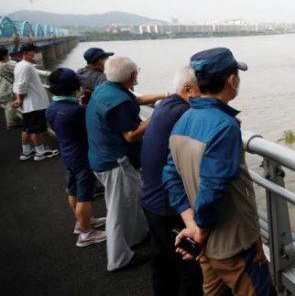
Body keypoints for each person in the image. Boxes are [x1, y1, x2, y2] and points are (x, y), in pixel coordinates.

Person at [163, 47, 274, 296]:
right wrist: (199, 230)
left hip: (205, 246)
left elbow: (170, 176)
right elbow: (213, 187)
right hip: (234, 246)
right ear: (231, 80)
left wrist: (192, 226)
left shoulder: (183, 120)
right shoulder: (225, 127)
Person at [86, 55, 164, 271]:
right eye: (137, 70)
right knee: (118, 211)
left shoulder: (107, 89)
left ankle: (138, 237)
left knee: (131, 201)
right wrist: (157, 117)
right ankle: (118, 259)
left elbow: (136, 100)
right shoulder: (119, 102)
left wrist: (167, 96)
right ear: (132, 75)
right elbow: (131, 135)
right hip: (115, 163)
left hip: (100, 157)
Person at [140, 66, 203, 296]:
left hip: (151, 198)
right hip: (169, 206)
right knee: (189, 268)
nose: (205, 98)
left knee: (162, 262)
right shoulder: (183, 114)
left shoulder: (164, 106)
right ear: (187, 90)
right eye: (202, 91)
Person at [46, 68, 107, 247]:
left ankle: (82, 222)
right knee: (84, 196)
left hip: (67, 154)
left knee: (72, 190)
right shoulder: (75, 111)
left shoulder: (52, 108)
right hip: (81, 156)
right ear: (73, 86)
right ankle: (86, 233)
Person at [12, 43, 58, 161]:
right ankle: (40, 152)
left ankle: (26, 152)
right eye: (32, 51)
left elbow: (17, 84)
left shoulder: (20, 65)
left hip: (29, 104)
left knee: (27, 128)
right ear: (24, 53)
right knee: (35, 130)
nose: (34, 54)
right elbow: (21, 86)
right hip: (34, 104)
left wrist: (19, 100)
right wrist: (19, 100)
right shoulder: (26, 67)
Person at [0, 46, 22, 129]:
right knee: (10, 106)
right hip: (9, 89)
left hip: (3, 88)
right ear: (4, 55)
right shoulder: (9, 64)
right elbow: (18, 68)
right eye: (7, 53)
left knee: (9, 106)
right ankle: (11, 123)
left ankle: (12, 121)